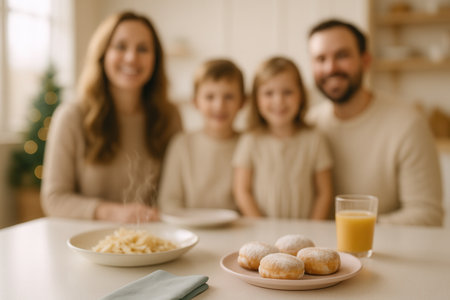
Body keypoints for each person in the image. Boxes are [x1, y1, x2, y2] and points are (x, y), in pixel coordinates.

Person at [41, 11, 181, 223]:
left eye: (143, 49)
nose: (131, 57)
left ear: (156, 60)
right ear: (102, 53)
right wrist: (112, 212)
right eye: (120, 46)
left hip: (153, 241)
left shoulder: (169, 116)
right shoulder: (71, 117)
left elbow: (176, 193)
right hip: (85, 243)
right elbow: (53, 199)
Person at [307, 19, 443, 226]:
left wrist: (353, 232)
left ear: (366, 60)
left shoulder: (408, 123)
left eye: (342, 55)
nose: (330, 68)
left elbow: (427, 214)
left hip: (383, 255)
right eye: (320, 59)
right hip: (316, 255)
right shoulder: (308, 124)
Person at [233, 56, 333, 219]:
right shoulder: (250, 140)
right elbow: (242, 191)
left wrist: (314, 227)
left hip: (306, 231)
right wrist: (260, 225)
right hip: (261, 231)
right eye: (268, 93)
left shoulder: (314, 139)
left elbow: (324, 193)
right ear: (256, 99)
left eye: (287, 92)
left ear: (301, 95)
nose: (278, 101)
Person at [158, 59, 245, 211]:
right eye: (210, 97)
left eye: (229, 97)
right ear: (195, 102)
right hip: (191, 229)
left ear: (242, 102)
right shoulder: (181, 144)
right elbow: (168, 201)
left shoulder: (248, 143)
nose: (219, 105)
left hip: (239, 230)